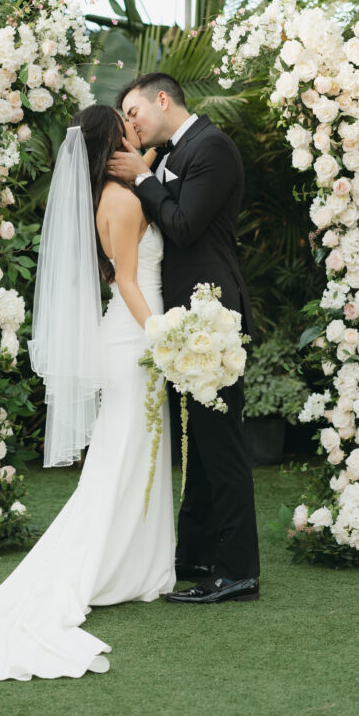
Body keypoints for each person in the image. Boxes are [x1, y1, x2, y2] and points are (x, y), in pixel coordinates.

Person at [0, 105, 175, 680]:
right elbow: (125, 279)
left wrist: (156, 155)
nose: (135, 129)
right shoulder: (119, 202)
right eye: (127, 126)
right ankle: (106, 568)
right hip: (134, 338)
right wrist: (162, 334)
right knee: (122, 458)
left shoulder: (113, 189)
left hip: (131, 338)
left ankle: (134, 566)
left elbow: (143, 169)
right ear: (112, 142)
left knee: (135, 456)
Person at [107, 72, 260, 605]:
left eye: (133, 112)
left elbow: (186, 224)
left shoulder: (211, 146)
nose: (131, 125)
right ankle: (195, 553)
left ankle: (238, 571)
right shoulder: (172, 153)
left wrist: (143, 180)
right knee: (196, 444)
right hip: (183, 317)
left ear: (162, 100)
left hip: (210, 311)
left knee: (222, 445)